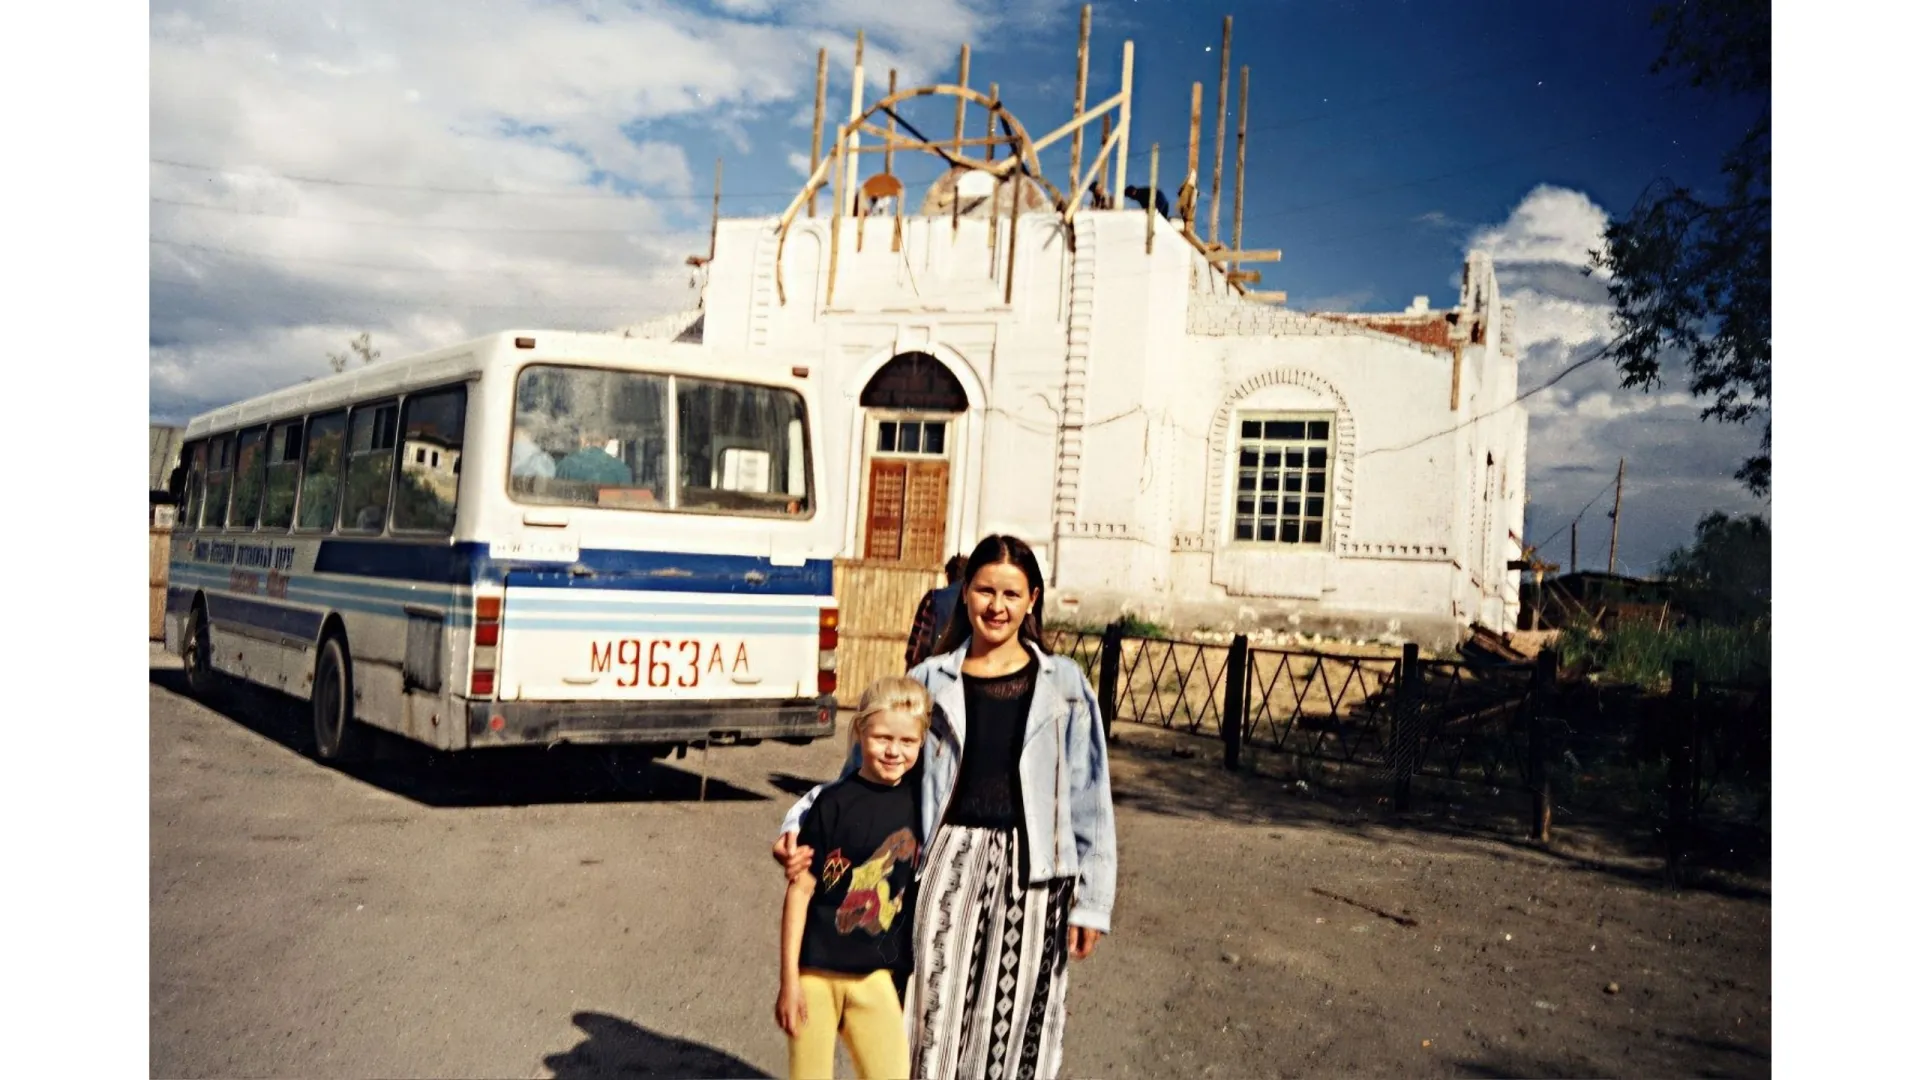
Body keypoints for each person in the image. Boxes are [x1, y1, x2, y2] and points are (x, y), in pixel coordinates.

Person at [773, 535, 1117, 1080]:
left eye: (1011, 593)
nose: (996, 606)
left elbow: (1090, 796)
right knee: (935, 1011)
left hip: (1036, 874)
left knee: (1019, 1017)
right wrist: (797, 825)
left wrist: (1092, 902)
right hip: (945, 862)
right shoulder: (930, 680)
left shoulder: (1065, 685)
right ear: (965, 594)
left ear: (1032, 599)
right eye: (984, 590)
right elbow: (856, 774)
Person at [774, 676, 931, 1080]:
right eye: (882, 737)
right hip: (815, 974)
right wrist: (788, 981)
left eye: (908, 741)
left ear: (922, 741)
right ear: (860, 731)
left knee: (891, 1073)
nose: (894, 751)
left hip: (875, 975)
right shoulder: (832, 803)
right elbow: (800, 891)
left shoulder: (922, 804)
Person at [904, 554, 969, 670]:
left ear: (948, 575)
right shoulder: (974, 601)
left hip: (933, 671)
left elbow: (918, 645)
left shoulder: (934, 598)